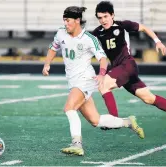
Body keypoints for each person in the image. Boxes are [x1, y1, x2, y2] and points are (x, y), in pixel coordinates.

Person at [42, 6, 144, 156]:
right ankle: (128, 122)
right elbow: (53, 47)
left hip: (85, 80)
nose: (66, 23)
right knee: (95, 120)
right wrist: (47, 63)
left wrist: (102, 73)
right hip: (73, 82)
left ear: (77, 21)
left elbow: (102, 58)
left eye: (68, 20)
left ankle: (77, 144)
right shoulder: (61, 33)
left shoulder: (89, 39)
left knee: (69, 108)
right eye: (64, 20)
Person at [92, 1, 166, 126]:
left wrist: (157, 41)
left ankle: (114, 121)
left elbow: (145, 28)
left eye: (106, 16)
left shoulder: (123, 25)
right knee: (149, 98)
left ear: (112, 15)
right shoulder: (97, 32)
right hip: (120, 70)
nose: (103, 20)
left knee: (103, 85)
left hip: (127, 65)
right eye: (100, 18)